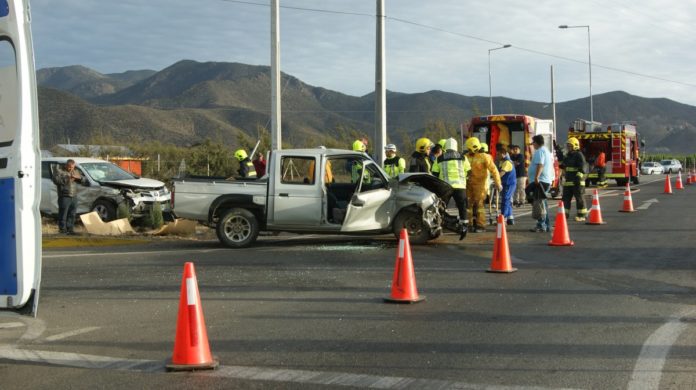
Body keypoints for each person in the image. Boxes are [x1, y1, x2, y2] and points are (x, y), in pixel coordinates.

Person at [432, 138, 470, 237]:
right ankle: (464, 226)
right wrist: (464, 177)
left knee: (441, 207)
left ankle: (439, 226)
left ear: (446, 147)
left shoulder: (439, 158)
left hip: (445, 187)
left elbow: (434, 173)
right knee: (462, 207)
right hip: (460, 186)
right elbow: (469, 171)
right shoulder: (463, 157)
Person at [465, 137, 501, 233]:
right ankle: (469, 224)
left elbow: (494, 170)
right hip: (468, 184)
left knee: (479, 205)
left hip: (480, 185)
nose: (468, 150)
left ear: (474, 147)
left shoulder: (485, 157)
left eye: (469, 149)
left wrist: (498, 183)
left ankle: (481, 225)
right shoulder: (466, 156)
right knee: (468, 205)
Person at [527, 135, 555, 232]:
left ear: (536, 142)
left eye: (533, 142)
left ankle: (541, 225)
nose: (532, 145)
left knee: (539, 203)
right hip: (544, 180)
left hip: (541, 181)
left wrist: (536, 177)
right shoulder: (545, 150)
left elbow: (540, 164)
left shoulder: (539, 151)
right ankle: (546, 225)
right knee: (543, 202)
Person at [52, 159, 86, 234]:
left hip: (74, 196)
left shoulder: (75, 171)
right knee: (63, 214)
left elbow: (84, 180)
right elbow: (56, 181)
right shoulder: (60, 171)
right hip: (64, 196)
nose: (71, 169)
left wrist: (79, 178)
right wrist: (69, 178)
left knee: (72, 214)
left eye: (73, 167)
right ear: (66, 165)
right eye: (70, 167)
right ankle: (62, 230)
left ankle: (70, 229)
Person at [560, 137, 588, 221]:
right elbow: (564, 165)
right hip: (568, 182)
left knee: (579, 199)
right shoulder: (568, 155)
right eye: (567, 146)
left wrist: (578, 177)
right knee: (565, 199)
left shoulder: (579, 155)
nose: (568, 148)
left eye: (570, 146)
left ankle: (582, 215)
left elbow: (583, 167)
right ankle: (564, 214)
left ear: (575, 146)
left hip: (577, 182)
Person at [497, 146, 517, 225]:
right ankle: (510, 217)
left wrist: (495, 178)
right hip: (507, 183)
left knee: (505, 200)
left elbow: (502, 172)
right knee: (507, 200)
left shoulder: (507, 162)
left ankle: (503, 217)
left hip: (509, 184)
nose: (497, 156)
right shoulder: (503, 161)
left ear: (504, 154)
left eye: (498, 154)